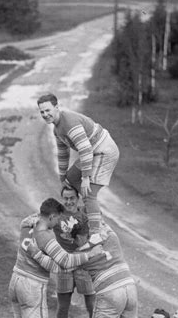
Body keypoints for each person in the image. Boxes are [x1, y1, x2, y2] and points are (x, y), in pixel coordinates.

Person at [8, 197, 104, 318]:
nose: (56, 224)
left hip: (15, 280)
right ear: (51, 216)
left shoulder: (27, 226)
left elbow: (27, 221)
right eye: (56, 219)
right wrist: (89, 255)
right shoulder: (45, 237)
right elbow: (65, 261)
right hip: (31, 285)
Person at [37, 93, 120, 244]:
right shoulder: (57, 129)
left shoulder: (69, 123)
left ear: (57, 107)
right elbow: (63, 154)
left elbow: (86, 150)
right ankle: (90, 213)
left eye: (48, 110)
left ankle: (96, 232)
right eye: (42, 112)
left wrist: (86, 178)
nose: (45, 114)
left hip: (104, 151)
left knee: (88, 193)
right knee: (71, 177)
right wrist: (62, 179)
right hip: (93, 152)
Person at [53, 186, 96, 318]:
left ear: (77, 199)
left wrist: (75, 232)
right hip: (64, 264)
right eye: (66, 198)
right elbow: (42, 221)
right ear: (62, 199)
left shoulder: (83, 216)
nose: (69, 201)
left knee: (91, 304)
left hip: (82, 264)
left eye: (72, 198)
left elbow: (83, 243)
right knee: (63, 306)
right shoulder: (57, 215)